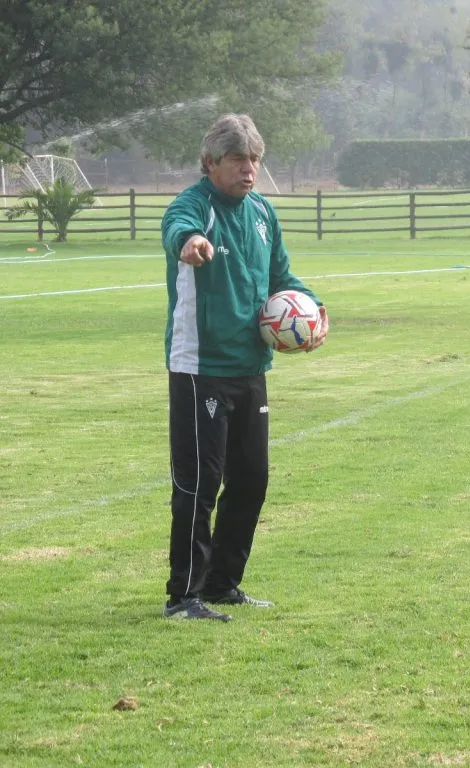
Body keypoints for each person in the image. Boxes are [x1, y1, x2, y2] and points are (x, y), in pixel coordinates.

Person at [160, 114, 328, 621]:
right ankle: (182, 597)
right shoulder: (195, 205)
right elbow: (177, 228)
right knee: (199, 482)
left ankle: (221, 584)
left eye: (255, 159)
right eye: (237, 160)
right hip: (200, 366)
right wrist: (189, 244)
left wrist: (313, 306)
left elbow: (281, 274)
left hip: (250, 365)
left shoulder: (261, 213)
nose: (249, 169)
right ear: (211, 163)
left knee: (251, 478)